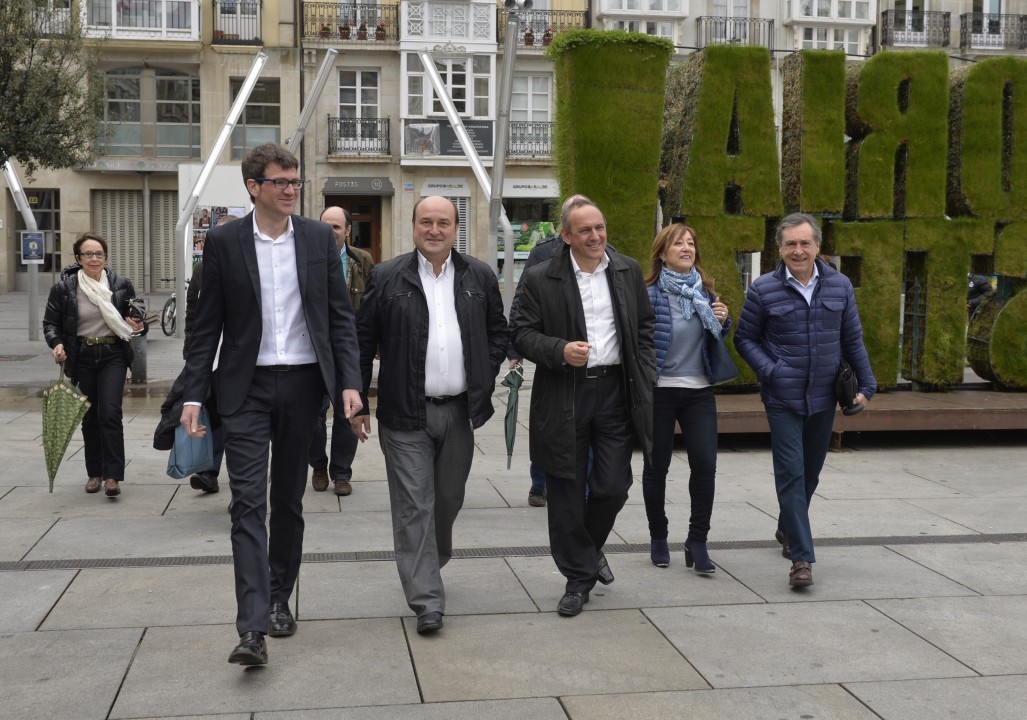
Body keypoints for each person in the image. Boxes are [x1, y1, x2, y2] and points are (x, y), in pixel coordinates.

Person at [179, 143, 362, 666]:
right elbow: (205, 327)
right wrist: (193, 393)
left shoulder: (317, 239)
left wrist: (350, 383)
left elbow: (339, 318)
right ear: (253, 187)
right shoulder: (224, 241)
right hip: (246, 388)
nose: (290, 190)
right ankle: (252, 627)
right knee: (246, 504)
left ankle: (281, 596)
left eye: (295, 181)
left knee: (287, 500)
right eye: (280, 181)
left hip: (304, 386)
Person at [352, 195, 506, 635]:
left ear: (455, 228)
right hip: (404, 414)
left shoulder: (479, 275)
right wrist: (358, 399)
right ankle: (427, 600)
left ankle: (428, 563)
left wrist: (484, 372)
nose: (434, 230)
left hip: (459, 413)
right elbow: (362, 341)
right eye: (426, 222)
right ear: (413, 226)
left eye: (443, 222)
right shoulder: (386, 276)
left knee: (447, 501)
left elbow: (498, 333)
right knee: (414, 506)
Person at [512, 197, 655, 617]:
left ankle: (586, 553)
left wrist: (645, 372)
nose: (595, 237)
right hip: (564, 393)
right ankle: (578, 579)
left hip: (615, 391)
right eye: (585, 230)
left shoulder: (626, 270)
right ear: (566, 236)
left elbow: (644, 326)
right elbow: (520, 333)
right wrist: (558, 350)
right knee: (566, 493)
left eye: (600, 228)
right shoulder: (541, 277)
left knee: (613, 486)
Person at [734, 212, 876, 589]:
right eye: (790, 244)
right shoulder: (763, 289)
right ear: (779, 249)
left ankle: (787, 527)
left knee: (810, 473)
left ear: (817, 246)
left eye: (804, 243)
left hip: (824, 396)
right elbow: (744, 339)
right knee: (791, 474)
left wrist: (868, 384)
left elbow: (852, 339)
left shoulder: (839, 286)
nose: (798, 250)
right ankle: (801, 558)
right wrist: (771, 370)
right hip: (782, 397)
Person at [642, 224, 732, 571]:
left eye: (691, 243)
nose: (686, 248)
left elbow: (714, 337)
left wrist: (723, 321)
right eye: (678, 243)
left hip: (699, 392)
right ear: (662, 253)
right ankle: (658, 535)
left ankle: (697, 541)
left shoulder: (704, 291)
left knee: (706, 466)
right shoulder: (648, 293)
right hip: (660, 391)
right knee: (656, 467)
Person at [506, 194, 595, 508]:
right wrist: (514, 351)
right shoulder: (543, 253)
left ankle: (586, 488)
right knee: (549, 425)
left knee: (588, 428)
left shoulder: (605, 256)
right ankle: (540, 482)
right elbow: (523, 303)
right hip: (553, 353)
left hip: (590, 358)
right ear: (565, 226)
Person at [44, 233, 146, 497]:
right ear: (78, 258)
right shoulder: (64, 288)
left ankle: (112, 476)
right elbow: (51, 323)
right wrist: (57, 343)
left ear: (105, 257)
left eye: (99, 254)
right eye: (88, 254)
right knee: (89, 415)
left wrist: (137, 324)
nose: (94, 258)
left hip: (113, 354)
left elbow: (136, 318)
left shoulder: (120, 283)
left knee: (110, 413)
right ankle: (95, 473)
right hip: (82, 356)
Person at [309, 205, 375, 496]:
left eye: (336, 227)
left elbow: (372, 306)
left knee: (348, 413)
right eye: (325, 225)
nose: (330, 231)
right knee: (313, 415)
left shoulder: (362, 260)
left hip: (350, 350)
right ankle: (318, 465)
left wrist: (374, 344)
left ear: (347, 230)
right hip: (312, 352)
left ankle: (341, 473)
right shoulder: (306, 258)